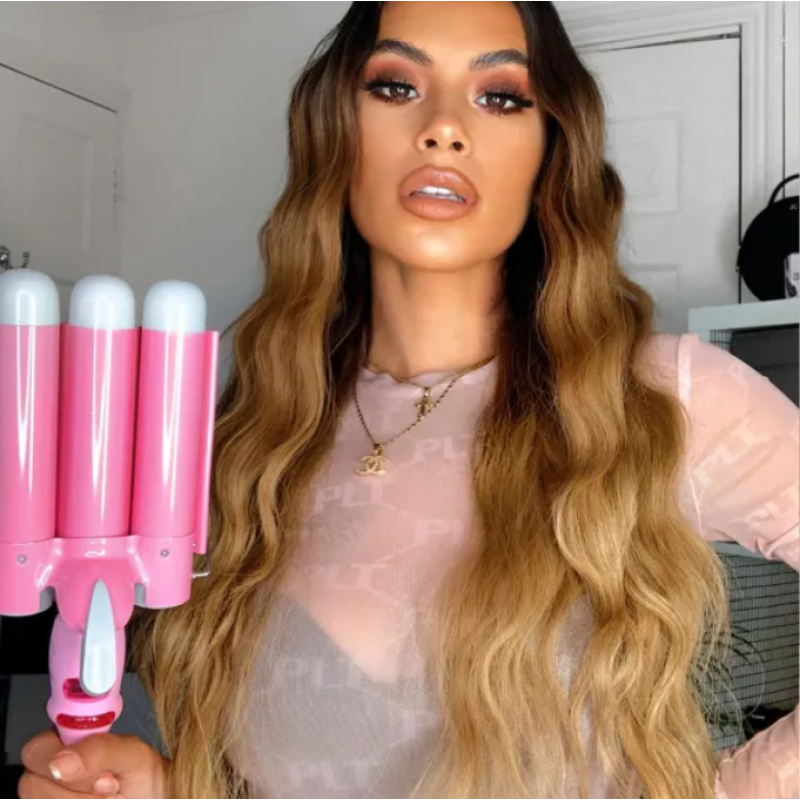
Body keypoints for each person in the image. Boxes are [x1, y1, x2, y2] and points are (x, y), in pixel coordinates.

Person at [18, 2, 799, 798]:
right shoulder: (250, 436)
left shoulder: (660, 398)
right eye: (396, 86)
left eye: (500, 96)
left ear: (549, 151)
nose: (444, 128)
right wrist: (163, 788)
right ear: (336, 130)